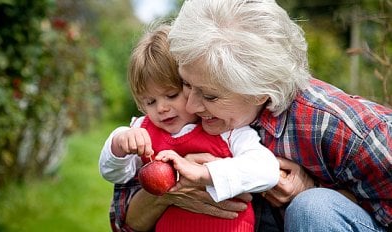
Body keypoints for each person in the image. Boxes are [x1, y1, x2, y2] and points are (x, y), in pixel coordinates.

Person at [109, 0, 392, 231]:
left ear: (259, 92)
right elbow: (123, 222)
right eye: (186, 85)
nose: (192, 105)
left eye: (209, 95)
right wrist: (168, 192)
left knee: (313, 209)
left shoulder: (339, 127)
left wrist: (310, 189)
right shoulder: (178, 120)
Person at [99, 23, 280, 232]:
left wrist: (205, 173)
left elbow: (267, 170)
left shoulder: (225, 129)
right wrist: (118, 144)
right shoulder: (144, 131)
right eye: (150, 102)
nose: (162, 108)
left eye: (172, 95)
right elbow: (113, 174)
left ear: (192, 85)